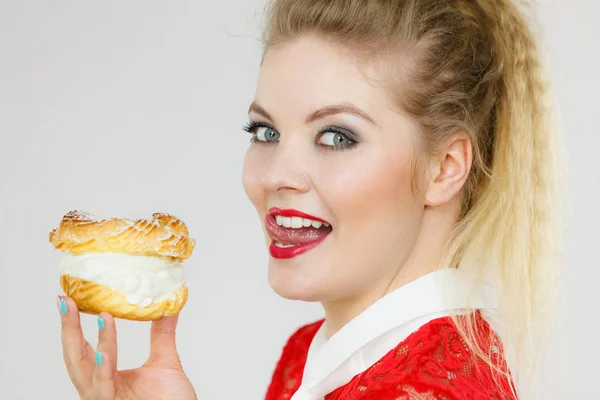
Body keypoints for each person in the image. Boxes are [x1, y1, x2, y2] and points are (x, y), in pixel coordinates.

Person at [56, 0, 561, 398]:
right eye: (265, 131)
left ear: (444, 169)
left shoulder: (430, 391)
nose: (275, 175)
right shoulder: (308, 357)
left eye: (337, 136)